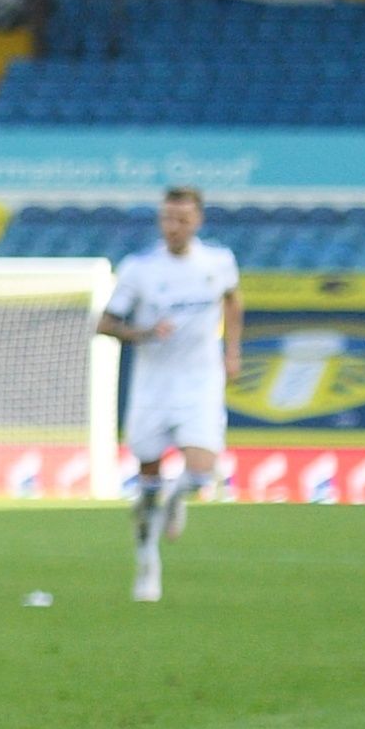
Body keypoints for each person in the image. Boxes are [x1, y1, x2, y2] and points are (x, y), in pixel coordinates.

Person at [94, 186, 240, 604]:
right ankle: (147, 561)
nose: (173, 227)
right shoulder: (140, 269)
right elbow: (105, 323)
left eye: (182, 219)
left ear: (198, 222)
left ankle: (179, 501)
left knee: (200, 472)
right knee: (149, 482)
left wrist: (232, 350)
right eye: (167, 219)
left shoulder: (219, 262)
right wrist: (143, 333)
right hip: (154, 384)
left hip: (200, 380)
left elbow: (233, 300)